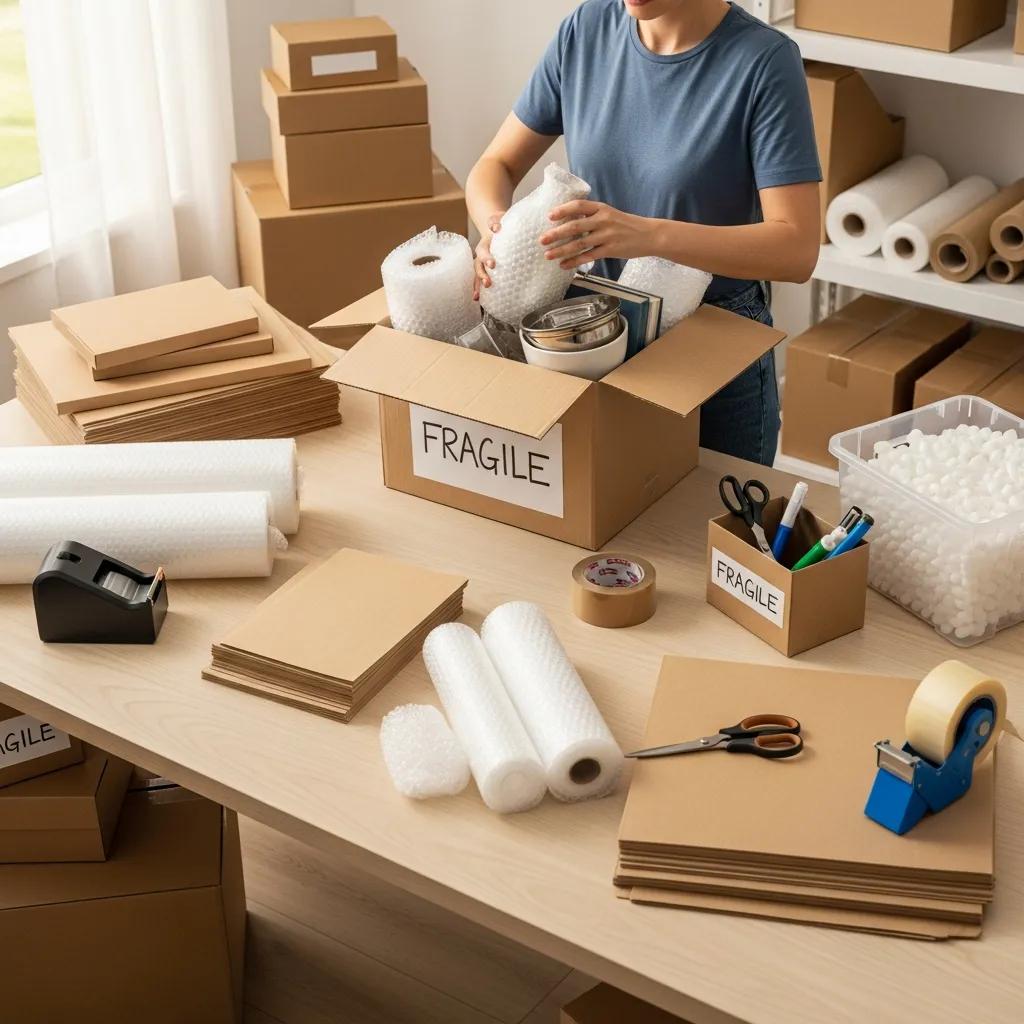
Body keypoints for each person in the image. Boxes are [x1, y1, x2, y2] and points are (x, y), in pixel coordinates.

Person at [465, 0, 822, 466]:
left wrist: (648, 235)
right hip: (593, 332)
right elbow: (496, 165)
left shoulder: (764, 60)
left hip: (712, 345)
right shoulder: (587, 28)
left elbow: (797, 249)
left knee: (706, 534)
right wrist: (498, 227)